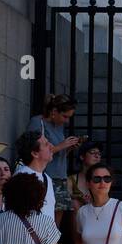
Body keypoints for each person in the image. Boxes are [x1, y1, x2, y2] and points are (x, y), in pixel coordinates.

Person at [27, 94, 84, 226]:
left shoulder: (58, 126)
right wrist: (61, 146)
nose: (66, 121)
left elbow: (56, 153)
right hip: (45, 176)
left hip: (60, 176)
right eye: (65, 116)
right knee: (40, 218)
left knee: (55, 224)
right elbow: (32, 150)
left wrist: (68, 148)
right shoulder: (38, 123)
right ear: (54, 112)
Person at [69, 141, 103, 213]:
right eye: (92, 152)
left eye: (99, 154)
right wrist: (79, 198)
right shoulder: (72, 180)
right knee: (74, 203)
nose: (97, 156)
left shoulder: (102, 179)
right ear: (82, 156)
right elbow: (66, 199)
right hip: (79, 217)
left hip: (97, 215)